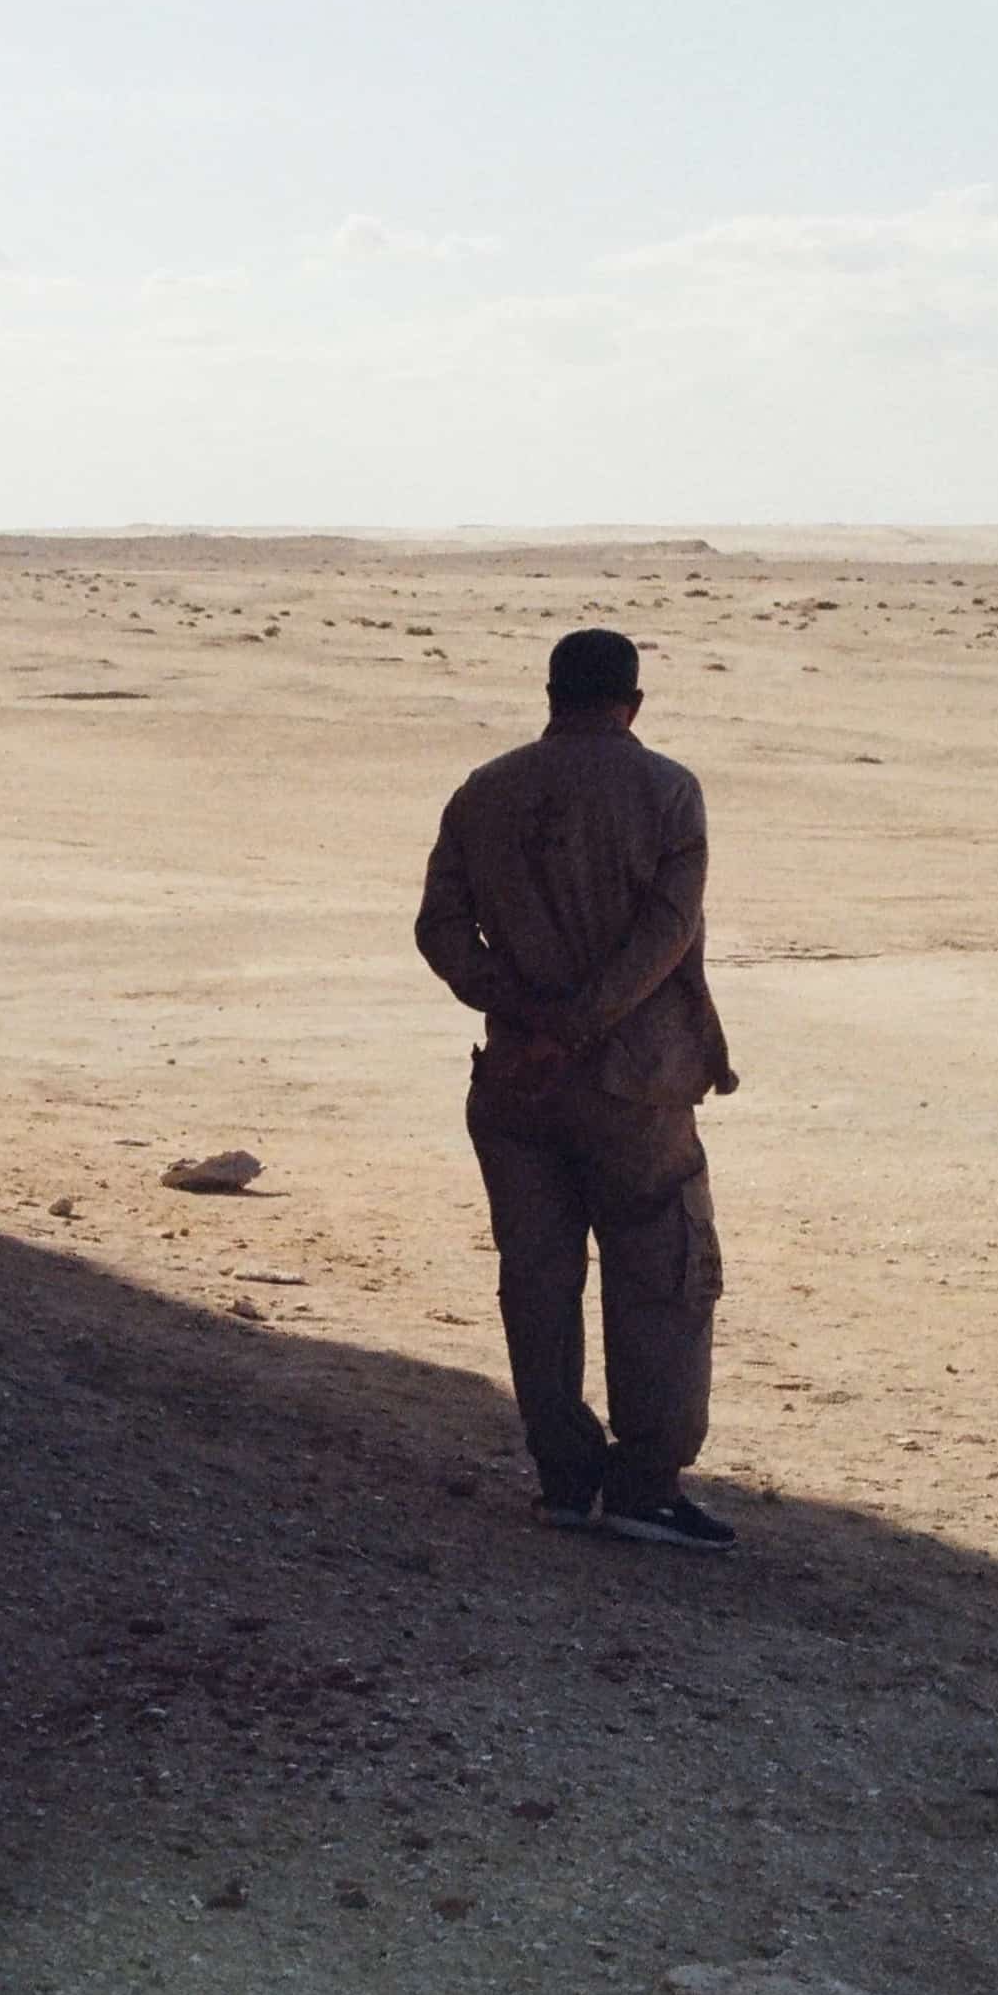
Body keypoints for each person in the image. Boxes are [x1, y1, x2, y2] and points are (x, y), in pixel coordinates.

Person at [415, 628, 740, 1549]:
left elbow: (440, 927)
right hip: (633, 1086)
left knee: (539, 1279)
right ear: (631, 702)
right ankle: (643, 1486)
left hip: (515, 1084)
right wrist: (580, 1024)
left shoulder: (485, 791)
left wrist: (516, 1012)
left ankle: (563, 1475)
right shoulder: (669, 791)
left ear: (550, 694)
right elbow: (666, 935)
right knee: (662, 1275)